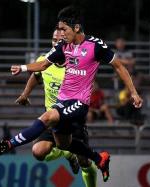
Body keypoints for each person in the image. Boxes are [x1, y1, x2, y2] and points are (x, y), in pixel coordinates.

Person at [0, 6, 143, 182]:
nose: (61, 34)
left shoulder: (95, 46)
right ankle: (99, 158)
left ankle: (10, 143)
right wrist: (23, 67)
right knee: (64, 144)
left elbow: (119, 66)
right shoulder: (64, 46)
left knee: (48, 117)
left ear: (77, 28)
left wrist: (133, 92)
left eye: (64, 29)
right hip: (62, 102)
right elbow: (42, 66)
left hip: (79, 103)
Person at [15, 28, 97, 187]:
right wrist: (25, 94)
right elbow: (35, 76)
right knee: (38, 152)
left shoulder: (76, 64)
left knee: (84, 161)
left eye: (60, 40)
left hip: (73, 119)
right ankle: (66, 152)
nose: (56, 43)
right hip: (52, 119)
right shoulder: (43, 61)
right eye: (54, 40)